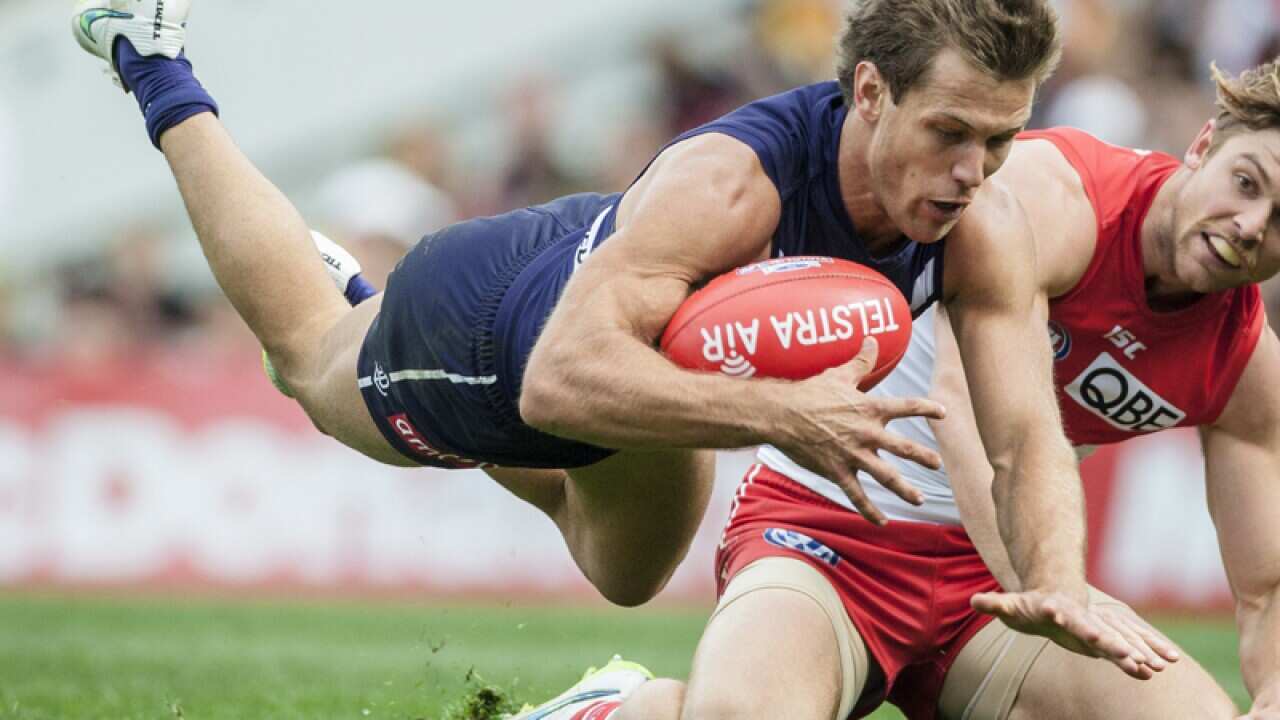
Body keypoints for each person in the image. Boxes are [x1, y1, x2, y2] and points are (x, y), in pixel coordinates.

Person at [71, 0, 1151, 664]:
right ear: (869, 91)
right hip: (499, 321)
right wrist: (782, 416)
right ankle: (152, 57)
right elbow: (554, 384)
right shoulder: (734, 185)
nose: (971, 171)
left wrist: (1059, 581)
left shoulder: (978, 221)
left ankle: (369, 307)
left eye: (1000, 140)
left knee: (623, 574)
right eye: (949, 132)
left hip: (627, 317)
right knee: (313, 367)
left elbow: (1023, 438)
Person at [518, 57, 1280, 720]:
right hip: (832, 528)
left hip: (991, 578)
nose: (1250, 225)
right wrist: (1049, 585)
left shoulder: (1245, 362)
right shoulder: (1058, 199)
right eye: (1246, 182)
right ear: (1202, 145)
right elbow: (969, 413)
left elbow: (1267, 587)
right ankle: (618, 709)